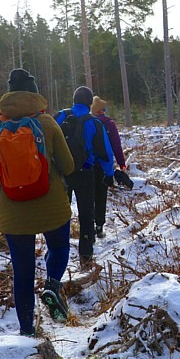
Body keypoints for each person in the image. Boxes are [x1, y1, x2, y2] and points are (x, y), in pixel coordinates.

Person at [0, 69, 75, 337]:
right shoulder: (48, 123)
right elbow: (69, 166)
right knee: (59, 247)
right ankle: (52, 284)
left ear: (9, 93)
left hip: (14, 213)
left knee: (22, 272)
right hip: (52, 207)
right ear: (34, 92)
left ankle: (27, 331)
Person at [54, 86, 114, 267]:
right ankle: (86, 256)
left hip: (61, 173)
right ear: (90, 103)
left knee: (60, 214)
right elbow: (105, 153)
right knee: (86, 215)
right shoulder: (94, 123)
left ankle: (58, 253)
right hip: (85, 173)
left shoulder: (59, 117)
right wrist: (109, 174)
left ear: (73, 100)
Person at [90, 96, 129, 238]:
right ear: (103, 110)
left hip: (86, 166)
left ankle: (88, 229)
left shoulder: (86, 122)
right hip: (103, 165)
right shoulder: (109, 124)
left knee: (88, 197)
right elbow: (116, 146)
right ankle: (99, 227)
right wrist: (121, 163)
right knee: (101, 196)